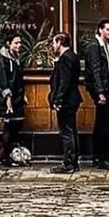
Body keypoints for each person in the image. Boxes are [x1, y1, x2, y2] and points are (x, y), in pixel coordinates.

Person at [83, 19, 109, 170]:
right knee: (103, 124)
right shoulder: (94, 47)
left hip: (106, 89)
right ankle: (100, 158)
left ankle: (102, 157)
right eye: (108, 30)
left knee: (104, 123)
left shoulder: (104, 46)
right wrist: (100, 93)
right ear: (100, 30)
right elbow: (95, 71)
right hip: (101, 91)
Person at [48, 31, 82, 173]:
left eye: (55, 43)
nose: (53, 46)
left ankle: (69, 163)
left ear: (60, 43)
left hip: (67, 100)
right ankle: (73, 161)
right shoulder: (73, 56)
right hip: (72, 98)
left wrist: (58, 99)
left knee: (67, 132)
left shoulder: (65, 58)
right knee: (71, 130)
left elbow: (64, 81)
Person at [0, 32, 26, 167]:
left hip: (16, 97)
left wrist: (22, 94)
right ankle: (5, 157)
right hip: (9, 99)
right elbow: (3, 80)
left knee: (15, 126)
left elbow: (18, 79)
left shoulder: (15, 58)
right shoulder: (3, 60)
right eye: (16, 43)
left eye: (20, 43)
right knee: (9, 126)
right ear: (9, 44)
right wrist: (7, 98)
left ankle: (5, 154)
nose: (19, 45)